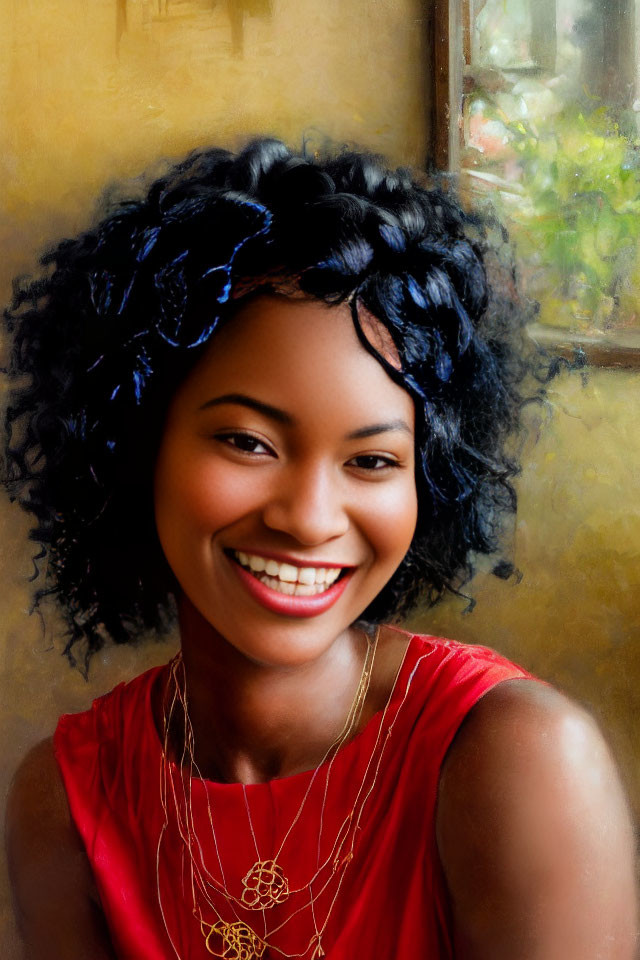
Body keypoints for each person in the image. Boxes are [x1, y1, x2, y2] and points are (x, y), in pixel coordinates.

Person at [3, 138, 637, 960]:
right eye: (248, 441)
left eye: (373, 460)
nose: (309, 519)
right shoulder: (65, 800)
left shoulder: (514, 761)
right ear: (135, 441)